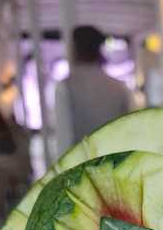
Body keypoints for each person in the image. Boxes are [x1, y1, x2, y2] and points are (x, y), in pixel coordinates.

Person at [55, 25, 131, 153]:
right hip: (115, 161)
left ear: (75, 49)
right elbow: (127, 134)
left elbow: (64, 141)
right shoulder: (119, 87)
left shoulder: (65, 87)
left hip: (83, 162)